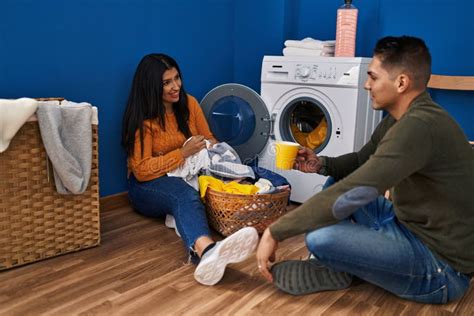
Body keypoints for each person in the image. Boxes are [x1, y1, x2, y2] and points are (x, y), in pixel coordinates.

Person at [256, 36, 474, 304]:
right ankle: (350, 263)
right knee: (339, 178)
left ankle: (344, 264)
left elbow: (357, 189)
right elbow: (361, 161)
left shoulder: (419, 126)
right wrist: (321, 163)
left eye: (373, 76)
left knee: (319, 237)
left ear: (401, 83)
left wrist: (275, 231)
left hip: (441, 270)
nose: (366, 84)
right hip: (404, 225)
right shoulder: (400, 119)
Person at [122, 53, 259, 286]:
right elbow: (142, 170)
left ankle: (227, 233)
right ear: (151, 86)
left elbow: (209, 138)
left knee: (244, 175)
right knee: (184, 194)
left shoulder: (190, 104)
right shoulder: (144, 120)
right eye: (166, 82)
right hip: (146, 186)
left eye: (177, 78)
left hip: (186, 173)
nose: (176, 86)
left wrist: (210, 148)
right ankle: (206, 251)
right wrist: (182, 154)